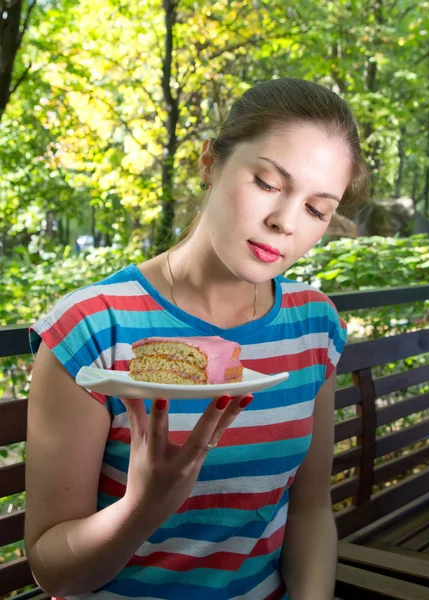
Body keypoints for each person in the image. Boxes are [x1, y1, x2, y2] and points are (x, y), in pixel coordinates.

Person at [25, 77, 369, 600]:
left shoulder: (313, 326)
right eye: (268, 184)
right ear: (210, 162)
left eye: (317, 209)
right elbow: (53, 573)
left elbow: (311, 511)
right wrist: (142, 508)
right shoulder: (94, 327)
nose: (283, 222)